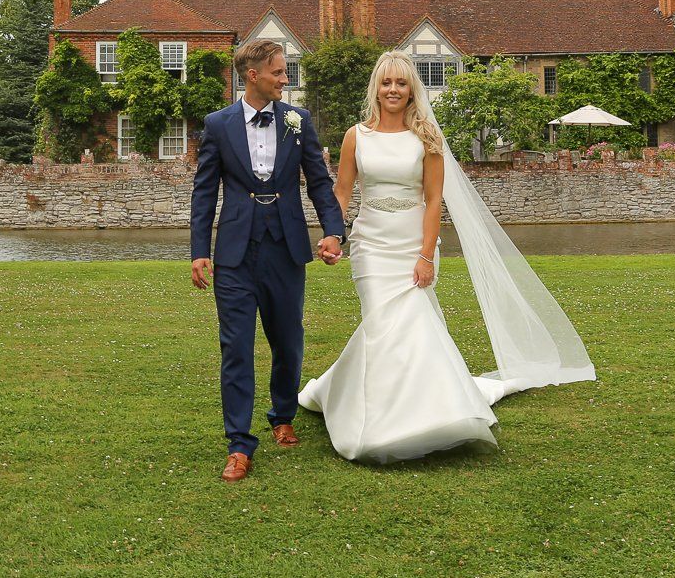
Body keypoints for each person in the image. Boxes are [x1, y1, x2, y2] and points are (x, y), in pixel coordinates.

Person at [298, 51, 595, 463]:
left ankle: (426, 411)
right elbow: (343, 191)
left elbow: (435, 200)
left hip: (411, 243)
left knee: (413, 323)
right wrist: (333, 234)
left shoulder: (427, 137)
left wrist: (425, 256)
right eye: (386, 83)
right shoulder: (356, 136)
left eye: (401, 83)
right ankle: (372, 413)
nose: (393, 90)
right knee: (382, 324)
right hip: (370, 245)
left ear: (411, 89)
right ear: (376, 88)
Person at [190, 39, 344, 483]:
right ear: (253, 75)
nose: (285, 79)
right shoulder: (218, 125)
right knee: (235, 346)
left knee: (288, 339)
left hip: (285, 246)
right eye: (278, 72)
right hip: (235, 252)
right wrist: (200, 250)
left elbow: (319, 180)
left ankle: (282, 416)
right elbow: (204, 192)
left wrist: (333, 230)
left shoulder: (298, 121)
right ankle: (239, 445)